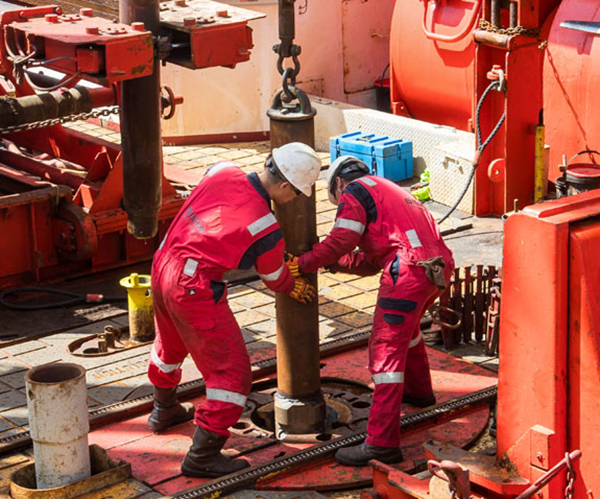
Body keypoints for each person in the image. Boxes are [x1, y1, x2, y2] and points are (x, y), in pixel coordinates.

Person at [147, 142, 321, 478]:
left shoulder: (223, 169)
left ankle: (163, 409)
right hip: (192, 288)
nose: (296, 200)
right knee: (233, 375)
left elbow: (219, 219)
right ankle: (202, 455)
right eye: (298, 193)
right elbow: (271, 276)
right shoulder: (266, 226)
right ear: (285, 185)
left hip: (163, 263)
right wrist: (291, 284)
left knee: (169, 347)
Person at [288, 155, 454, 467]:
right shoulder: (392, 191)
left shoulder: (354, 192)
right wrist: (335, 265)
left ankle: (381, 445)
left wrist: (305, 263)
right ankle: (419, 393)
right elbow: (371, 260)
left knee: (385, 356)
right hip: (439, 270)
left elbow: (342, 239)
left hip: (408, 273)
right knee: (410, 332)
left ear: (338, 183)